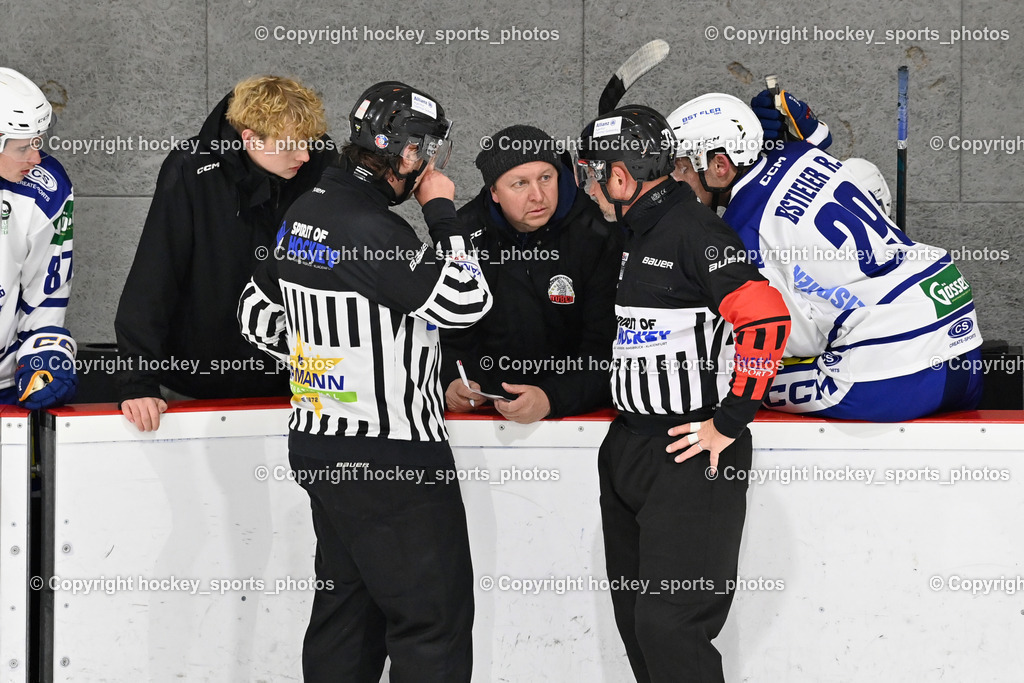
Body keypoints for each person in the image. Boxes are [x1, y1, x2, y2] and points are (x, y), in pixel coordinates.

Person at [239, 81, 491, 682]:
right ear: (406, 154)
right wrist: (441, 210)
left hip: (321, 448)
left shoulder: (307, 211)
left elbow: (255, 317)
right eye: (427, 152)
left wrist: (324, 354)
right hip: (393, 459)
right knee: (433, 622)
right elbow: (465, 301)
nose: (430, 165)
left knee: (347, 616)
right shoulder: (374, 230)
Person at [575, 105, 791, 683]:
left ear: (621, 177)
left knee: (671, 627)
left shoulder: (695, 229)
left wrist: (731, 420)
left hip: (693, 451)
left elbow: (766, 320)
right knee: (637, 623)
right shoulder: (633, 229)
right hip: (629, 446)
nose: (588, 186)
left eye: (594, 174)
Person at [667, 92, 982, 420]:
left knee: (731, 379)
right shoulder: (800, 152)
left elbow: (791, 338)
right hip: (960, 339)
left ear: (720, 165)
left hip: (896, 375)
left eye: (682, 166)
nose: (675, 179)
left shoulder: (741, 234)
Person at [115, 75, 333, 431]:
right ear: (249, 138)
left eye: (309, 142)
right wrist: (137, 381)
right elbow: (154, 275)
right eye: (291, 145)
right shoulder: (191, 169)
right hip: (197, 383)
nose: (304, 155)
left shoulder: (321, 164)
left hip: (295, 387)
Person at [440, 124, 619, 423]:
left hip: (577, 416)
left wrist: (552, 398)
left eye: (546, 178)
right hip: (485, 412)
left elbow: (608, 348)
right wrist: (450, 383)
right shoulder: (464, 235)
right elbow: (446, 335)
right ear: (494, 192)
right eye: (520, 184)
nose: (538, 195)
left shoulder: (599, 233)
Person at [0, 67, 77, 409]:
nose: (36, 158)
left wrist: (43, 355)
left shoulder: (46, 190)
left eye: (38, 143)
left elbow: (45, 293)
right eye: (21, 149)